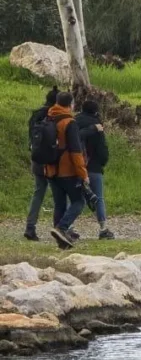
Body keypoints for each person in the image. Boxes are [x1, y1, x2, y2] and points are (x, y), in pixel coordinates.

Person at [43, 92, 89, 249]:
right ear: (71, 104)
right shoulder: (69, 122)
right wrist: (83, 174)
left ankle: (61, 241)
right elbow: (76, 152)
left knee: (59, 204)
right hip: (67, 170)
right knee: (78, 201)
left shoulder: (48, 118)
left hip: (50, 169)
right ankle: (62, 228)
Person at [75, 100, 114, 240]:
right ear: (96, 111)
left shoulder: (75, 122)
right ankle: (103, 228)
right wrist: (103, 162)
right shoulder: (97, 125)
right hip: (94, 166)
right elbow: (102, 148)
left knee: (75, 198)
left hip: (76, 165)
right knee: (98, 198)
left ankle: (69, 227)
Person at [24, 86, 58, 241]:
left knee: (38, 192)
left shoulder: (35, 115)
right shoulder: (53, 116)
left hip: (36, 158)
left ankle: (30, 227)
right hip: (51, 161)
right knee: (59, 194)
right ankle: (62, 227)